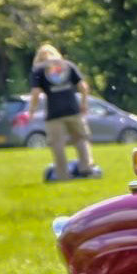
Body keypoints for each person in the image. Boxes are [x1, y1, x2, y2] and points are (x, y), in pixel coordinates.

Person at [21, 44, 96, 180]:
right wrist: (84, 104)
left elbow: (36, 92)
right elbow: (83, 87)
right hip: (73, 110)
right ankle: (86, 169)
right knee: (81, 139)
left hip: (54, 113)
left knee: (57, 144)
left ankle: (63, 175)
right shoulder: (68, 65)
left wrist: (31, 112)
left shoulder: (39, 70)